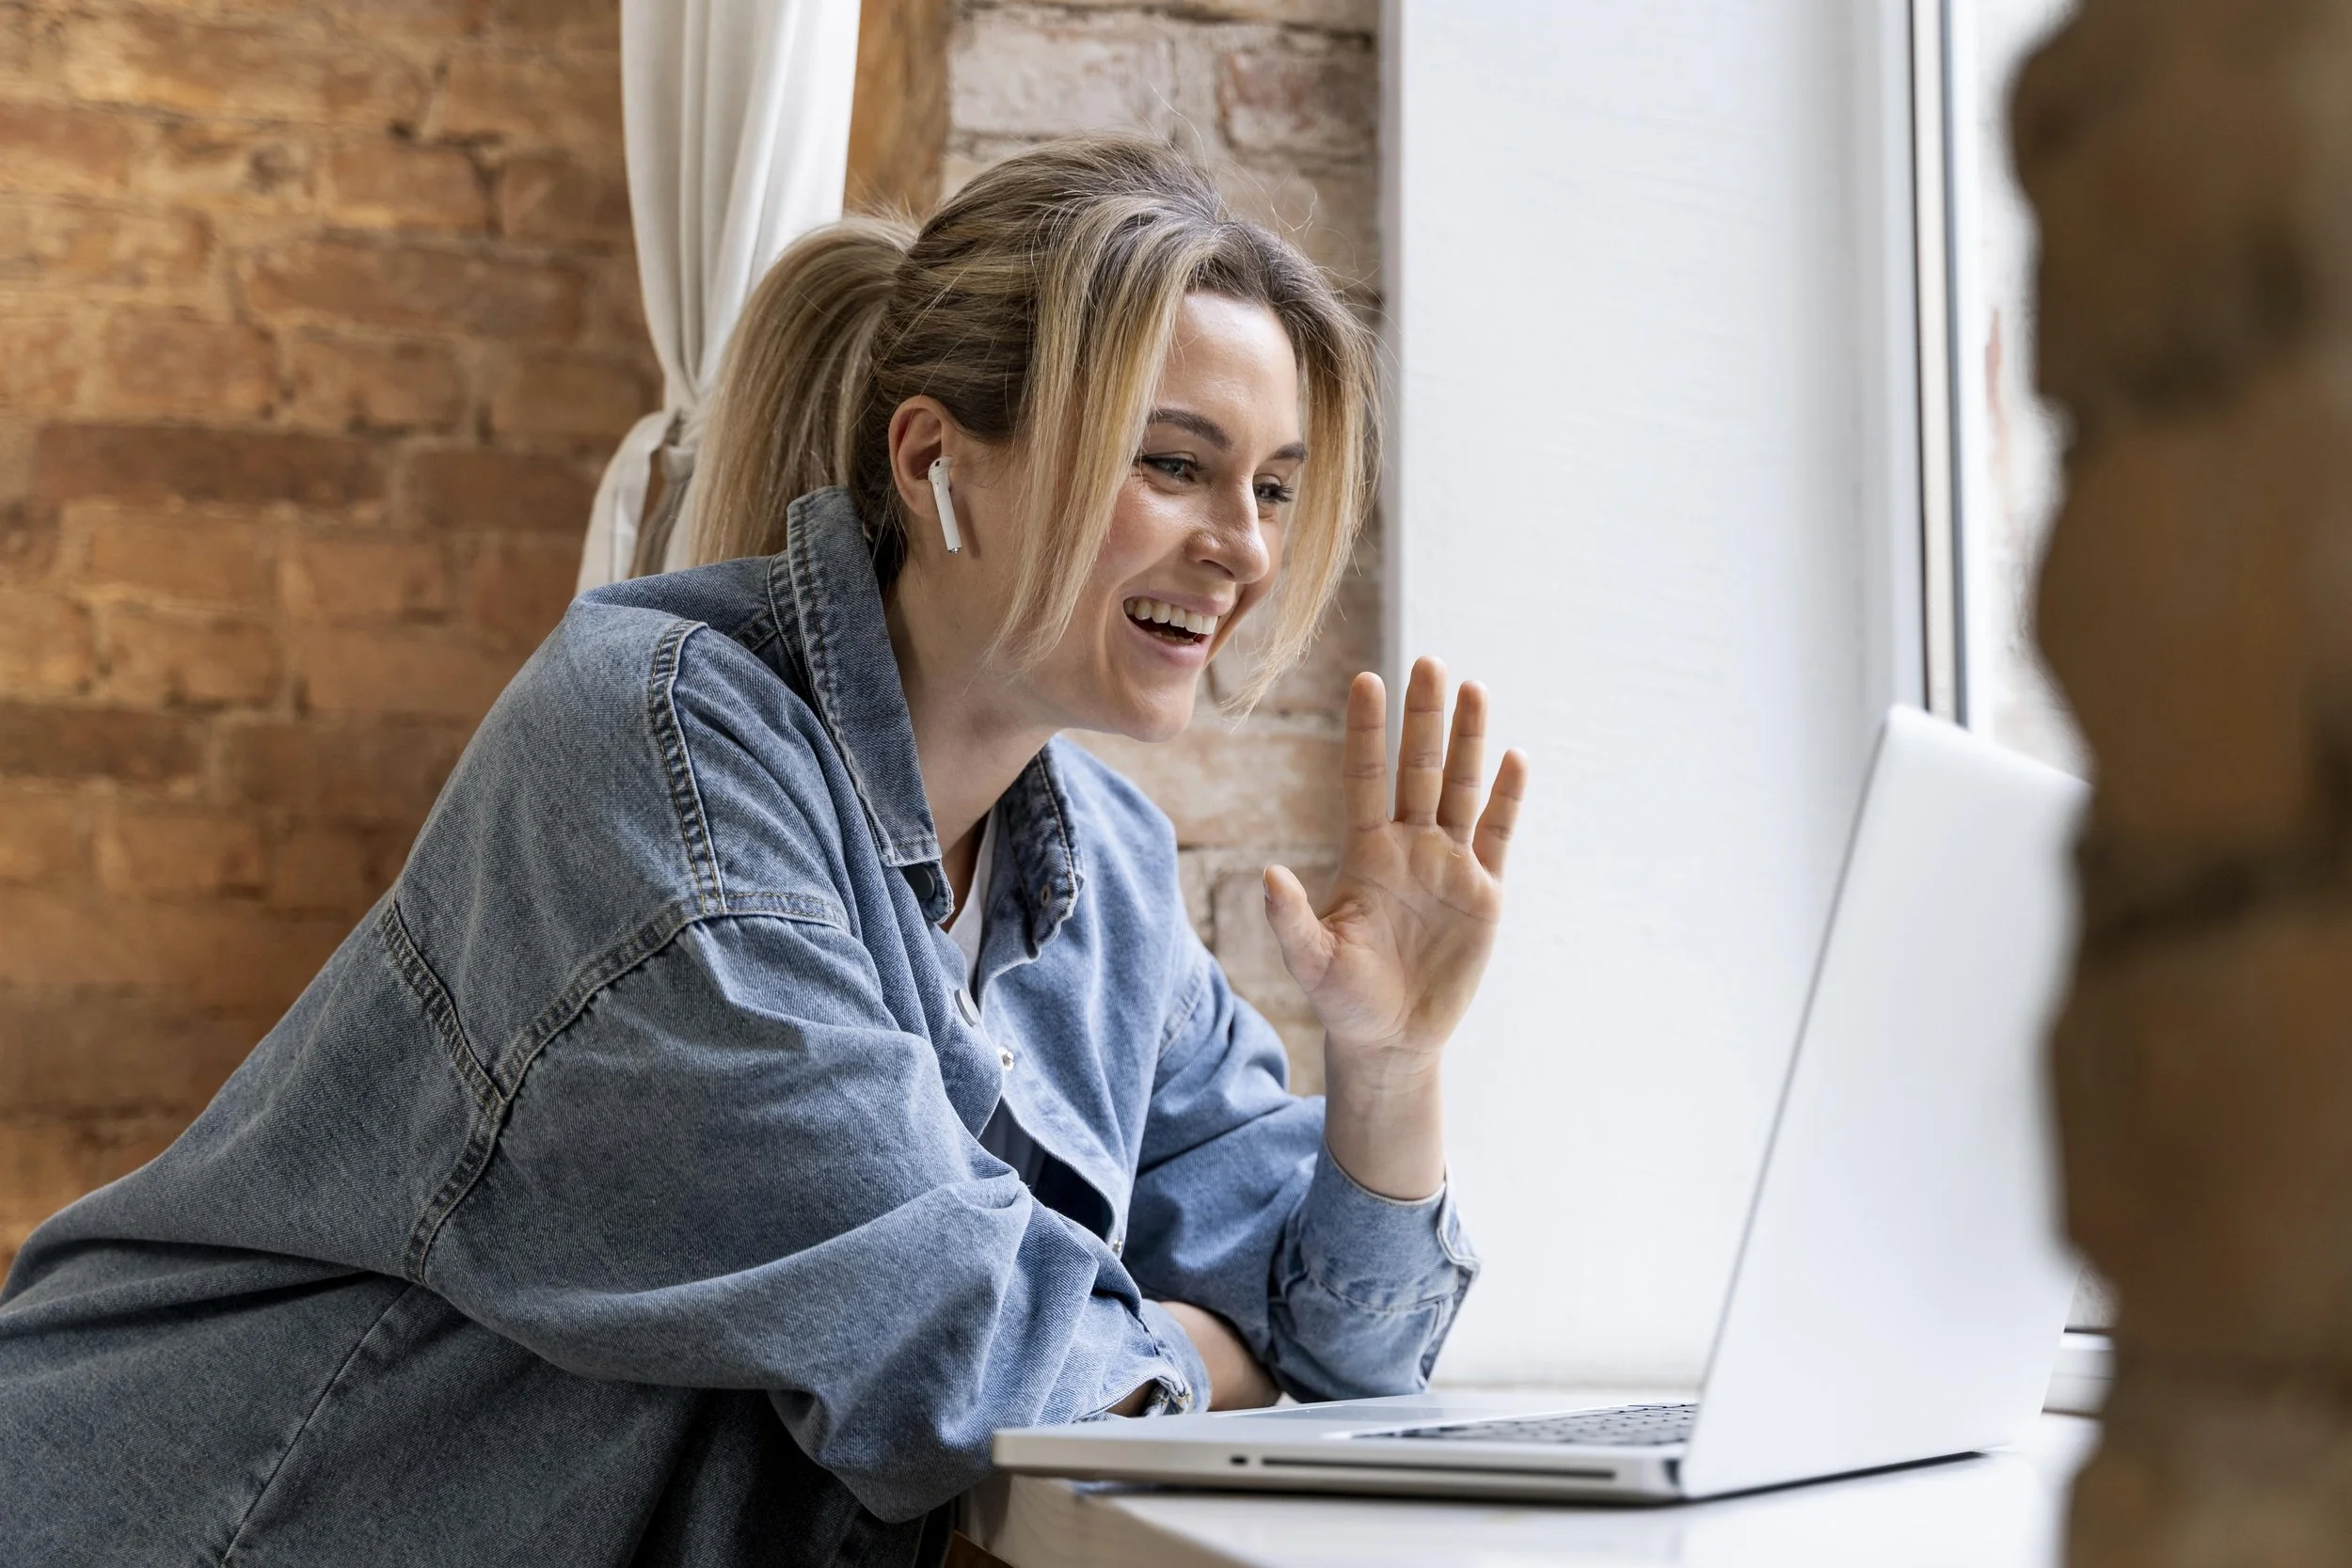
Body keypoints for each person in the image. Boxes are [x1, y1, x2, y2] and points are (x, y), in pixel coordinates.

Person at [0, 135, 1527, 1568]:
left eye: (1273, 485)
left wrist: (1388, 1070)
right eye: (1175, 463)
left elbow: (1346, 1361)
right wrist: (1198, 1352)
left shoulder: (1109, 869)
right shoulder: (650, 753)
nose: (1248, 548)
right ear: (938, 464)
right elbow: (971, 1359)